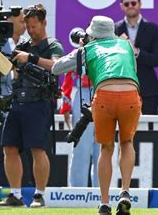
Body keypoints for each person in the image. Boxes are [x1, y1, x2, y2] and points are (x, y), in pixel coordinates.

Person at [52, 15, 141, 215]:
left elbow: (57, 68)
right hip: (130, 93)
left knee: (106, 148)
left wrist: (80, 49)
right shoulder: (126, 45)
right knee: (127, 142)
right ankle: (125, 192)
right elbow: (133, 71)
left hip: (104, 95)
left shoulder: (87, 49)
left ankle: (104, 202)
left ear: (91, 34)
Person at [0, 4, 63, 208]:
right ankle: (15, 194)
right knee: (9, 147)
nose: (31, 30)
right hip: (18, 100)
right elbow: (8, 68)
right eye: (28, 26)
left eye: (35, 26)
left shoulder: (53, 45)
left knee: (37, 149)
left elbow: (57, 66)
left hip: (39, 102)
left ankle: (39, 195)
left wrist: (31, 58)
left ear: (44, 23)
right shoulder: (23, 45)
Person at [0, 9, 26, 186]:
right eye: (21, 21)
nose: (23, 26)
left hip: (13, 100)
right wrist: (10, 73)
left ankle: (17, 186)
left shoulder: (17, 43)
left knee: (15, 147)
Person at [115, 0, 158, 115]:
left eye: (133, 3)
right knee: (125, 132)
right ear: (121, 6)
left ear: (140, 4)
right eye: (126, 4)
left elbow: (157, 59)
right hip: (122, 88)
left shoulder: (153, 29)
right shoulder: (114, 30)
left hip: (148, 90)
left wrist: (136, 52)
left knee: (148, 132)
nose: (130, 6)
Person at [60, 71, 99, 187]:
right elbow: (69, 72)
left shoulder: (116, 52)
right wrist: (66, 103)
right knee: (81, 146)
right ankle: (77, 191)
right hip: (85, 93)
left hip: (108, 92)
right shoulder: (81, 52)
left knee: (104, 149)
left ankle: (102, 192)